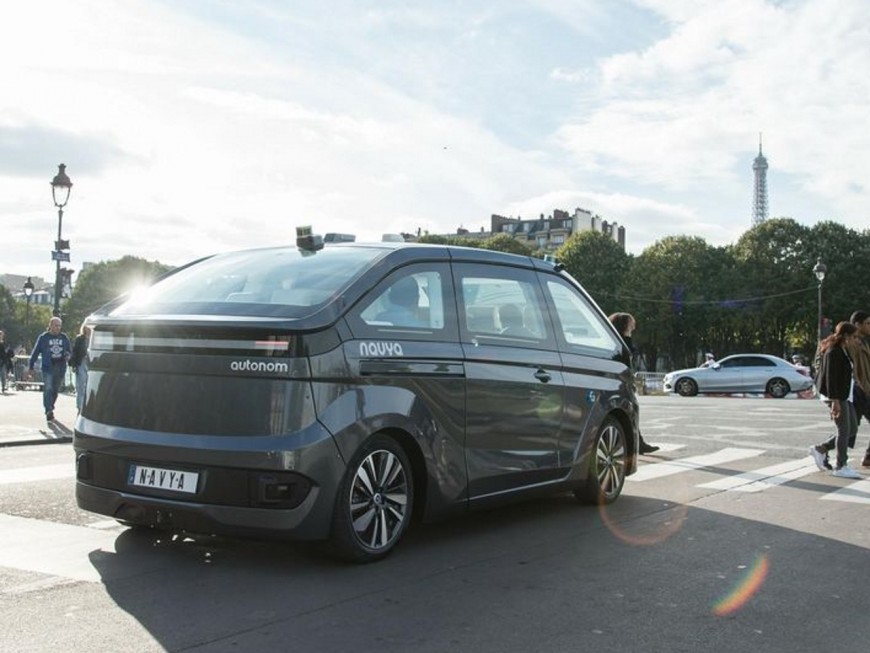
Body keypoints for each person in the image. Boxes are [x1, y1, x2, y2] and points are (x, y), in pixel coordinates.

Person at [808, 320, 863, 478]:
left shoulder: (843, 350)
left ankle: (821, 448)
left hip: (845, 395)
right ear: (845, 336)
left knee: (852, 428)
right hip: (835, 395)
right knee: (843, 430)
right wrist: (835, 402)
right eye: (854, 337)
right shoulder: (833, 351)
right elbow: (831, 378)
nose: (856, 340)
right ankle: (841, 466)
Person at [608, 312, 659, 454]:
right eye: (631, 323)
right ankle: (637, 444)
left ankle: (639, 443)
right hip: (620, 382)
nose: (634, 326)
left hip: (621, 381)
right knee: (630, 412)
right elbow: (629, 354)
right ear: (625, 325)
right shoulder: (622, 341)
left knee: (630, 413)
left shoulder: (614, 340)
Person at [28, 317, 72, 421]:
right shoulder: (44, 337)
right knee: (48, 388)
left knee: (55, 390)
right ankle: (48, 410)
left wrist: (68, 355)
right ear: (50, 325)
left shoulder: (64, 337)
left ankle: (50, 406)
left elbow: (69, 351)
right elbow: (35, 352)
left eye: (59, 326)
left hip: (60, 367)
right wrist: (31, 366)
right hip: (48, 367)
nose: (58, 328)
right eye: (56, 325)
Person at [70, 323, 92, 413]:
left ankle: (88, 407)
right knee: (80, 386)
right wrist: (74, 365)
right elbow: (75, 352)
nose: (88, 328)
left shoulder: (95, 338)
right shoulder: (80, 339)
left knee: (89, 386)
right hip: (81, 363)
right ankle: (80, 407)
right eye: (87, 327)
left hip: (91, 364)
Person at [0, 330, 14, 394]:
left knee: (3, 374)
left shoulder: (4, 343)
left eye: (2, 335)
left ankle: (3, 387)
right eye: (1, 334)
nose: (1, 336)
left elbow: (6, 352)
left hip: (3, 361)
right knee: (3, 374)